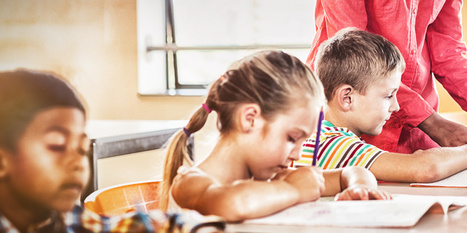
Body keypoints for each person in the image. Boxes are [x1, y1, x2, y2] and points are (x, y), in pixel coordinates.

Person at [160, 50, 392, 222]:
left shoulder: (271, 179)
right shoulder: (189, 184)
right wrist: (295, 190)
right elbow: (235, 203)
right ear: (250, 119)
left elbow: (352, 172)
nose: (299, 153)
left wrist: (359, 188)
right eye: (292, 138)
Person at [0, 69, 223, 233]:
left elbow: (124, 226)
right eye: (57, 145)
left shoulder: (58, 221)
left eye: (81, 148)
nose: (78, 163)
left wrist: (197, 227)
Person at [306, 0, 467, 154]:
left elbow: (449, 54)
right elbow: (353, 53)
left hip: (418, 123)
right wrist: (433, 123)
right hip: (358, 113)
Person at [297, 28, 467, 183]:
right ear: (347, 98)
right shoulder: (333, 144)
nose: (396, 107)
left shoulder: (314, 132)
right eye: (388, 96)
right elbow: (424, 168)